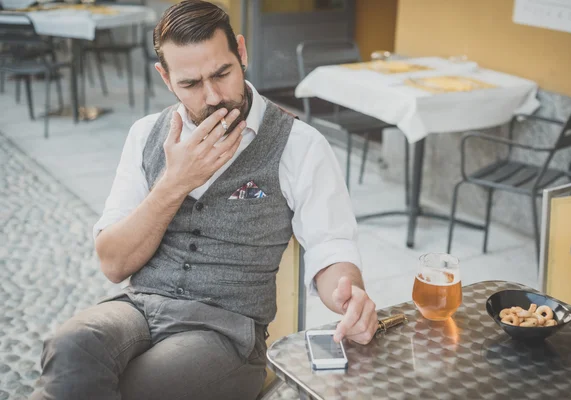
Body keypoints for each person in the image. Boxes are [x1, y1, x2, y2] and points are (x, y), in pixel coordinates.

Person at [30, 1, 377, 399]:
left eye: (222, 73)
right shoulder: (146, 134)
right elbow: (113, 263)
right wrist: (174, 183)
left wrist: (348, 294)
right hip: (139, 308)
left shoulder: (301, 144)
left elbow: (331, 244)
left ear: (241, 53)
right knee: (71, 345)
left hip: (225, 330)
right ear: (165, 78)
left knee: (143, 384)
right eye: (191, 84)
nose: (212, 97)